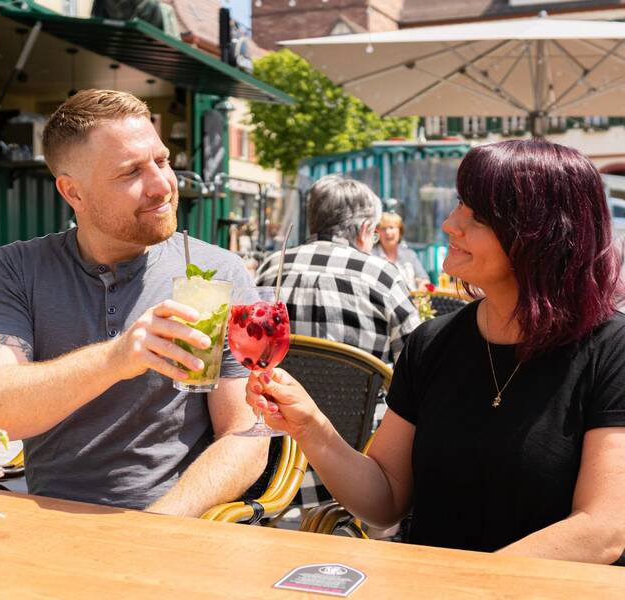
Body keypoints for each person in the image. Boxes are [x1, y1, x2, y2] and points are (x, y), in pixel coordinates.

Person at [247, 139, 625, 564]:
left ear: (542, 234)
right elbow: (385, 500)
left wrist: (466, 586)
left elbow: (603, 529)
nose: (449, 224)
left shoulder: (612, 350)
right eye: (459, 204)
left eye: (476, 215)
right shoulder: (432, 343)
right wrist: (311, 427)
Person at [0, 89, 267, 516]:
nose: (162, 185)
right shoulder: (16, 269)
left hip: (172, 524)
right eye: (131, 173)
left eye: (161, 161)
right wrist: (116, 357)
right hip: (44, 522)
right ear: (74, 193)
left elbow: (246, 433)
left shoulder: (218, 272)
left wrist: (161, 522)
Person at [255, 175, 420, 365]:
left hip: (278, 393)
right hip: (363, 395)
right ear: (364, 229)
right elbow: (415, 363)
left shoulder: (272, 267)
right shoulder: (382, 277)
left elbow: (251, 348)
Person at [372, 211, 430, 292]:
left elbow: (424, 279)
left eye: (391, 227)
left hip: (413, 301)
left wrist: (422, 284)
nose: (388, 232)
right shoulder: (372, 256)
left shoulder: (409, 255)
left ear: (400, 231)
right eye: (383, 228)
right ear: (377, 232)